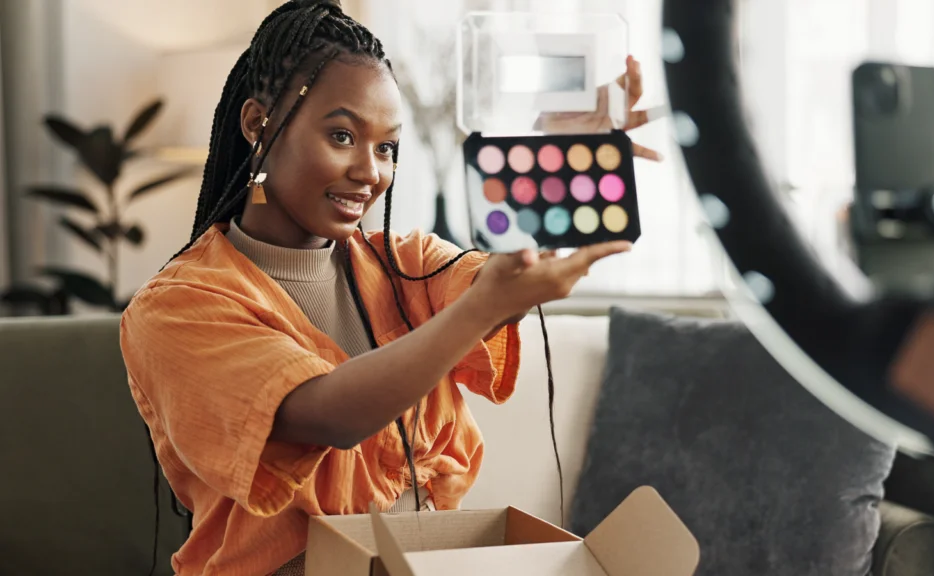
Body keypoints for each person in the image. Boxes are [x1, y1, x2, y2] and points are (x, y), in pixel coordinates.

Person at [119, 1, 656, 574]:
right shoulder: (176, 308)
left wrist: (561, 165)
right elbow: (330, 417)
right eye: (342, 135)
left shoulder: (408, 265)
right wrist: (481, 307)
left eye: (386, 147)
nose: (370, 172)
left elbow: (510, 276)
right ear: (258, 124)